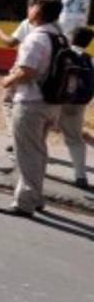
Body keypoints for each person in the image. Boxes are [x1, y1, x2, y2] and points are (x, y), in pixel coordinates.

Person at [0, 0, 65, 216]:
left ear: (36, 10)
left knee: (26, 154)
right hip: (52, 103)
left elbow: (27, 71)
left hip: (31, 103)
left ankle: (25, 203)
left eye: (31, 7)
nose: (28, 11)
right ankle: (35, 198)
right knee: (38, 152)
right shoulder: (60, 36)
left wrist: (8, 80)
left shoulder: (36, 38)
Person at [0, 16, 33, 153]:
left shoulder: (29, 23)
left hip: (22, 69)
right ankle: (29, 142)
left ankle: (16, 140)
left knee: (8, 103)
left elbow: (10, 42)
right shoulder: (58, 28)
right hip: (44, 75)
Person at [59, 26, 92, 190]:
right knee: (75, 140)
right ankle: (80, 176)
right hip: (78, 104)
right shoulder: (90, 59)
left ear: (71, 37)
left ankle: (32, 167)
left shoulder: (63, 53)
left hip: (57, 102)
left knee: (39, 133)